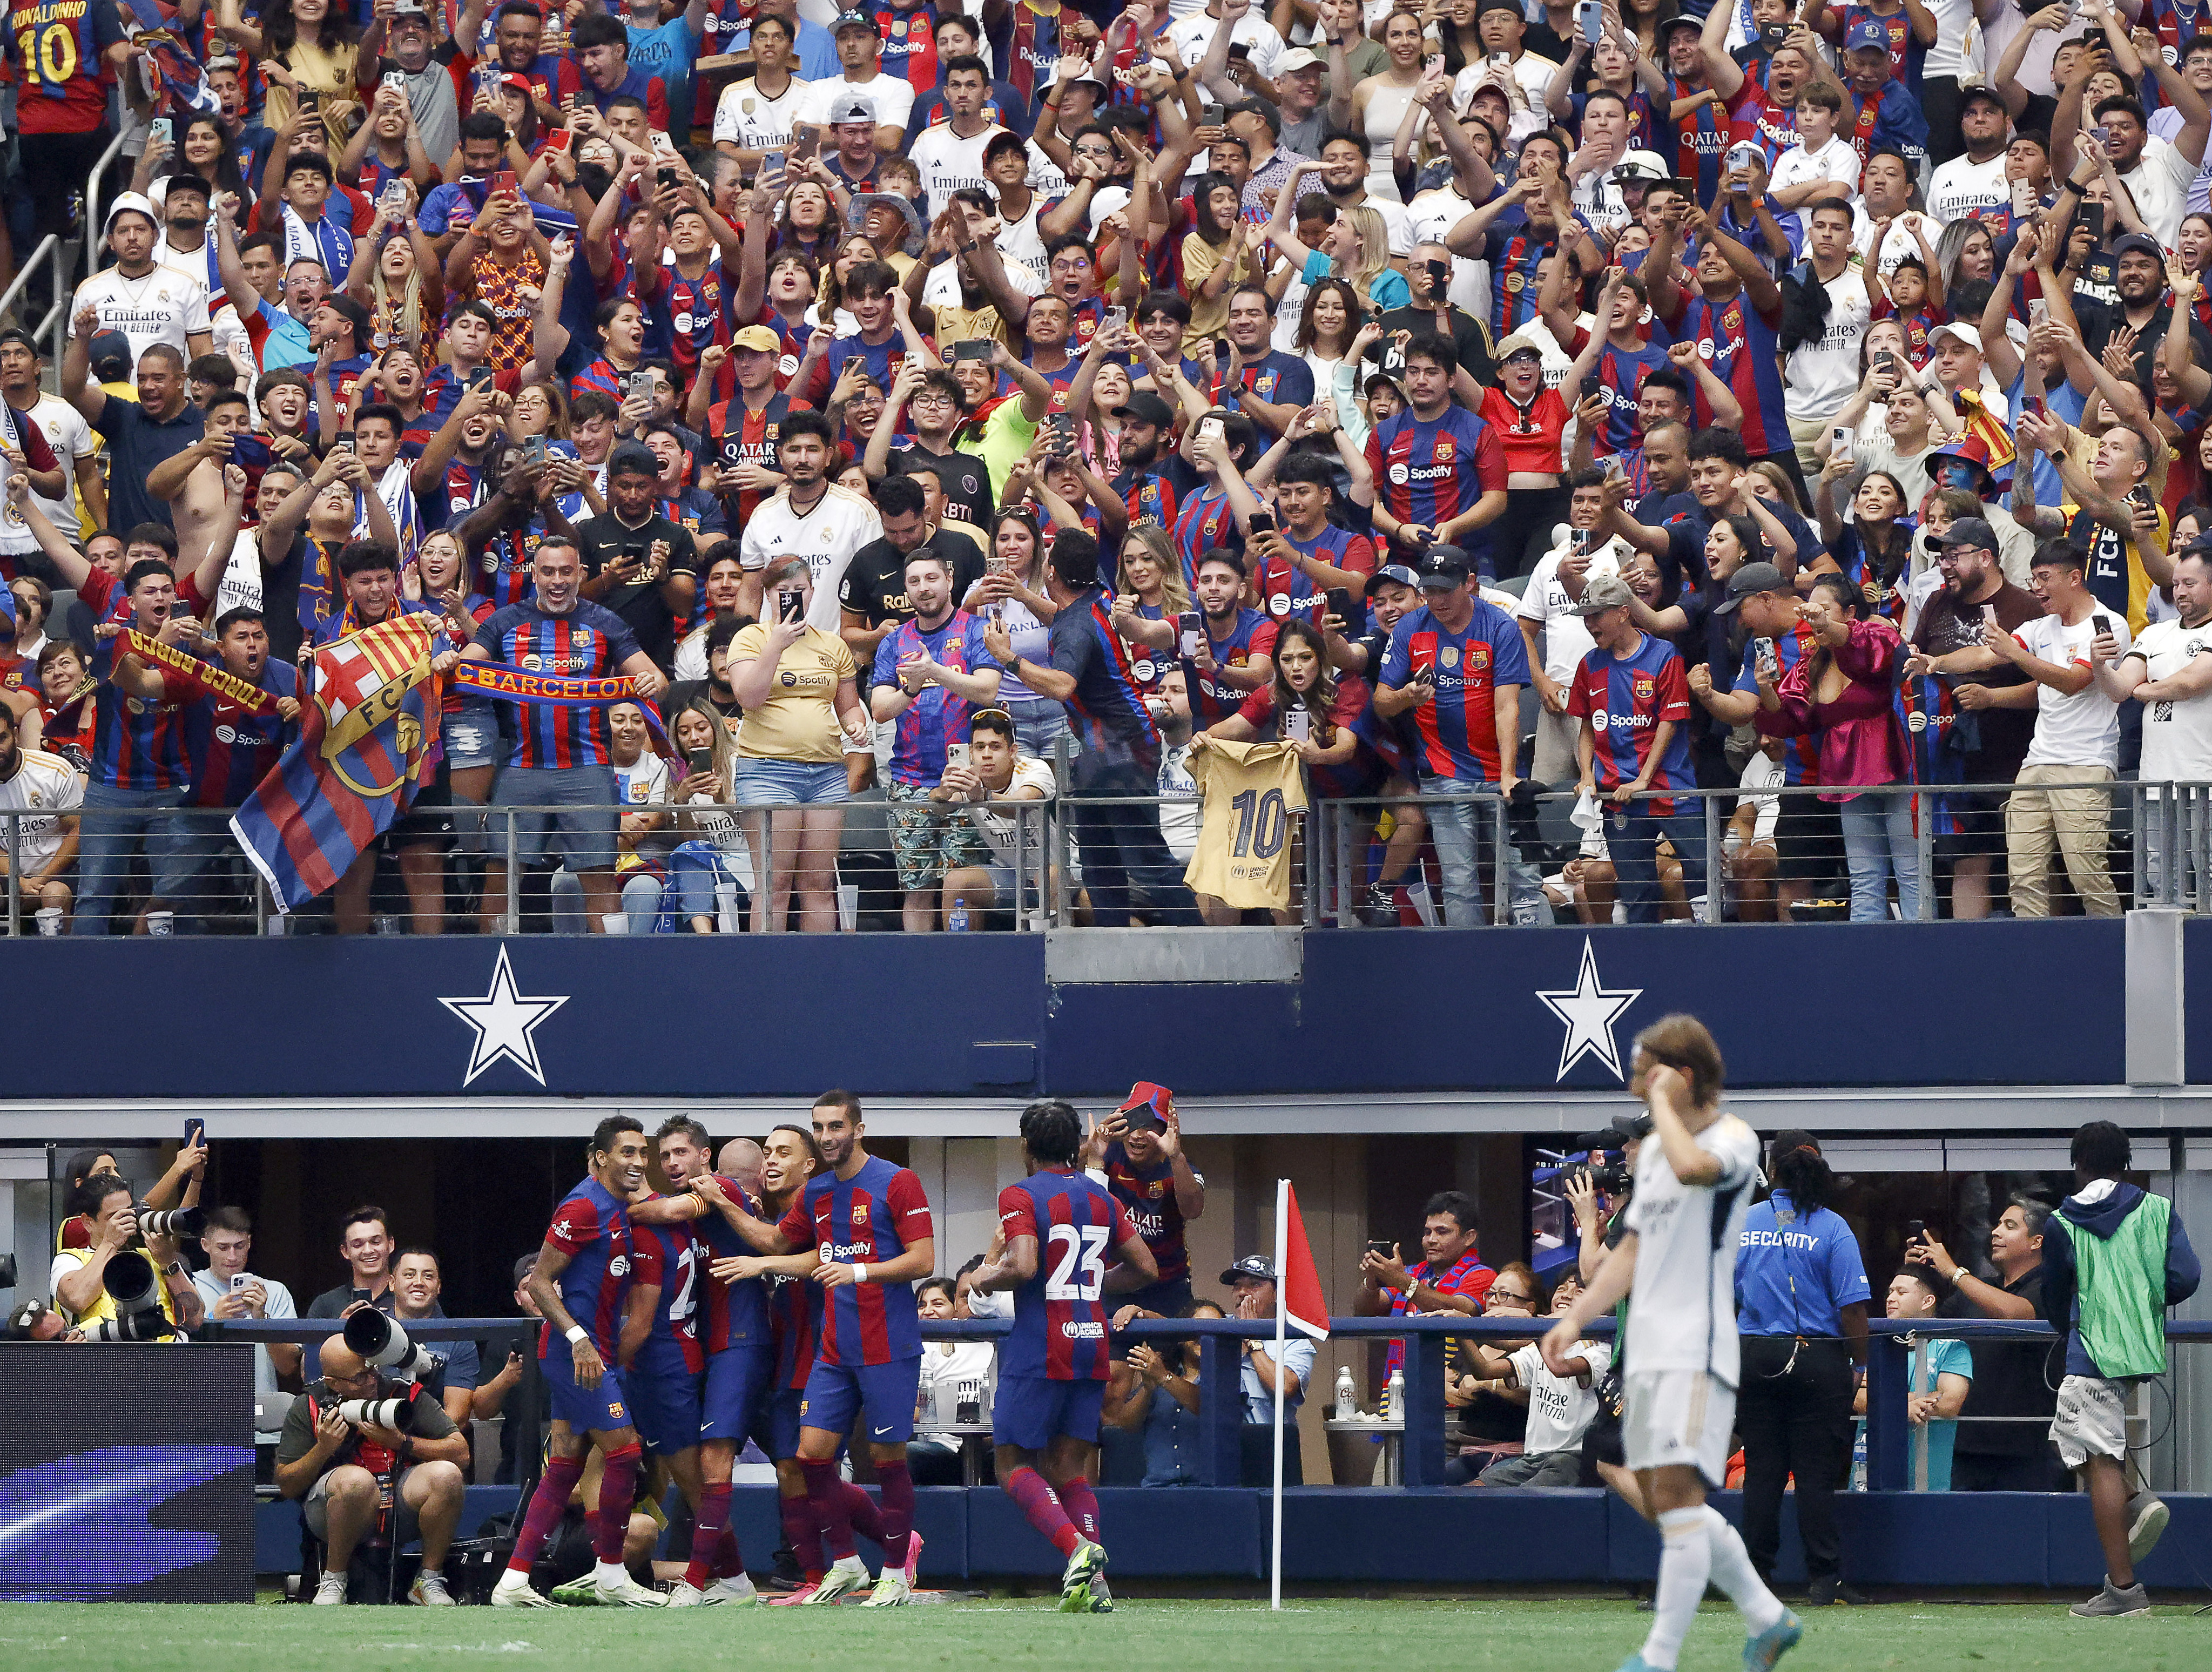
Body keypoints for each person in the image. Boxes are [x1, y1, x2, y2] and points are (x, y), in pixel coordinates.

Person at [1542, 1016, 1800, 1672]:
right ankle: (1768, 1618)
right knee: (1667, 1501)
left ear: (1682, 1077)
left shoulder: (1735, 1139)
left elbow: (1694, 1169)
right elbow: (1630, 1250)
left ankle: (1658, 1658)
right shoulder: (1653, 1152)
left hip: (1700, 1346)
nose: (1636, 1090)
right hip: (1648, 1351)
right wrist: (1577, 1318)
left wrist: (1660, 1104)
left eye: (1645, 1075)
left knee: (1680, 1501)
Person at [693, 1091, 934, 1606]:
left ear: (859, 1129)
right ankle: (846, 1563)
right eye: (819, 1127)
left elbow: (924, 1261)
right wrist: (721, 1204)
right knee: (810, 1458)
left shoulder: (897, 1181)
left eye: (835, 1126)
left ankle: (893, 1570)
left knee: (888, 1459)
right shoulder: (818, 1192)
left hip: (888, 1345)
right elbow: (780, 1243)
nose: (827, 1136)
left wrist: (858, 1271)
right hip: (833, 1349)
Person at [969, 1099, 1157, 1613]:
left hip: (1041, 1342)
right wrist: (1091, 1288)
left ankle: (1077, 1548)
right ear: (1076, 1146)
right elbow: (1145, 1267)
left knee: (1011, 1464)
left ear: (1025, 1146)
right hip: (1091, 1336)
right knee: (1070, 1466)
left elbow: (1025, 1264)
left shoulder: (1021, 1193)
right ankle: (1097, 1585)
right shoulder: (1102, 1198)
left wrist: (983, 1276)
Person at [983, 530, 1197, 926]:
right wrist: (1023, 595)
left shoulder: (1076, 627)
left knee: (1147, 862)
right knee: (1101, 863)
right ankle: (1113, 945)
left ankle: (1202, 949)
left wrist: (1007, 657)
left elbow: (1063, 684)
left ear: (1052, 573)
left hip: (1121, 754)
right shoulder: (1097, 598)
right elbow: (1066, 617)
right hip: (1111, 753)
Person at [492, 1117, 664, 1608]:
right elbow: (541, 1282)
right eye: (626, 1153)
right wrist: (578, 1338)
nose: (636, 1162)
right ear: (602, 1157)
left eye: (641, 1153)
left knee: (564, 1466)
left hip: (596, 1352)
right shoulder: (582, 1205)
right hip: (575, 1355)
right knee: (625, 1454)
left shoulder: (621, 1205)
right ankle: (611, 1574)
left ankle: (513, 1582)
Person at [463, 537, 669, 936]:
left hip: (588, 770)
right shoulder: (504, 621)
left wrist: (651, 681)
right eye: (548, 571)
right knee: (500, 879)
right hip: (522, 768)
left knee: (599, 880)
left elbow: (658, 683)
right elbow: (467, 671)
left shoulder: (605, 622)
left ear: (581, 575)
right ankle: (491, 966)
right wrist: (449, 659)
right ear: (534, 575)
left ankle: (610, 972)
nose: (557, 581)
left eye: (566, 571)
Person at [2039, 1121, 2201, 1618]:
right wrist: (2147, 1302)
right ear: (2127, 1162)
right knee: (2083, 1442)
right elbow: (2186, 1277)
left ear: (2078, 1165)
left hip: (2089, 1351)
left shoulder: (2061, 1223)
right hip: (2139, 1351)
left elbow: (2052, 1293)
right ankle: (2136, 1500)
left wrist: (2064, 1324)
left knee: (2099, 1456)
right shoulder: (2159, 1211)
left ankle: (2125, 1592)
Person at [1733, 1132, 1871, 1604]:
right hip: (1819, 1360)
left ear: (1771, 1171)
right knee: (1815, 1476)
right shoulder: (1833, 1227)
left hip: (1753, 1357)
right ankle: (1824, 1579)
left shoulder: (1743, 1223)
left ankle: (1755, 1580)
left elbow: (1721, 1294)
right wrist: (1860, 1363)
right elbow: (1853, 1308)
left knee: (1763, 1474)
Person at [1374, 547, 1539, 927]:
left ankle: (1544, 961)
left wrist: (1509, 775)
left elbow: (1507, 707)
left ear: (1470, 584)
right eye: (1430, 591)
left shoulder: (1501, 627)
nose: (1437, 600)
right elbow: (1382, 702)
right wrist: (1406, 697)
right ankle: (1470, 969)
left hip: (1500, 772)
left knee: (1523, 878)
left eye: (1446, 590)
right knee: (1459, 883)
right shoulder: (1411, 629)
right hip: (1443, 771)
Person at [728, 556, 872, 932]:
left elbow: (850, 707)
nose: (791, 598)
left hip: (827, 773)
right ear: (767, 595)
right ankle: (768, 976)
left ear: (812, 592)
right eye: (782, 592)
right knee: (774, 885)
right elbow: (748, 696)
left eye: (799, 591)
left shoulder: (833, 645)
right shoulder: (750, 637)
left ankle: (818, 977)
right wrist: (776, 644)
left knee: (819, 884)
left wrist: (856, 727)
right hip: (767, 771)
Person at [275, 1333, 470, 1606]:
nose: (370, 1381)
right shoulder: (310, 1404)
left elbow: (460, 1453)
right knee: (357, 1481)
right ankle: (334, 1580)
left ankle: (429, 1579)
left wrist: (402, 1442)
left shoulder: (403, 1394)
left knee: (446, 1476)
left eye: (373, 1371)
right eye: (359, 1378)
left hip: (400, 1504)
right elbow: (287, 1484)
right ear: (332, 1382)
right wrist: (324, 1448)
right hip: (338, 1509)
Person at [1992, 542, 2130, 919]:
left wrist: (2016, 654)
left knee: (2085, 873)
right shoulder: (2040, 627)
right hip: (2036, 763)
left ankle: (2115, 957)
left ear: (2074, 578)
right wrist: (1933, 661)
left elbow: (2074, 682)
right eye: (2033, 578)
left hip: (2086, 764)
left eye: (2044, 578)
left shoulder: (2109, 624)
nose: (2037, 588)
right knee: (2023, 875)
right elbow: (1989, 653)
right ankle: (2030, 964)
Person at [1908, 1198, 2067, 1493]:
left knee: (2024, 1536)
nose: (1995, 1232)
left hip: (2028, 1452)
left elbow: (2015, 1313)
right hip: (1967, 1446)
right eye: (1996, 1224)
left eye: (2009, 1226)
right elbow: (1924, 1319)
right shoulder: (1981, 1289)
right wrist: (1917, 1276)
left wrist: (1955, 1272)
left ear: (2037, 1242)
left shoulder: (2053, 1285)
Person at [2105, 544, 2212, 905]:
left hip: (2206, 783)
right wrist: (2099, 664)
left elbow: (2192, 683)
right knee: (2160, 881)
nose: (2179, 591)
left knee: (2209, 876)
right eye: (2176, 583)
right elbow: (2120, 688)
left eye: (2190, 584)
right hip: (2157, 784)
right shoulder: (2154, 634)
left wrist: (2145, 690)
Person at [1458, 1273, 1611, 1488]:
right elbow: (1486, 1370)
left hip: (1572, 1459)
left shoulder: (1601, 1351)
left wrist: (1532, 1323)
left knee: (1524, 1501)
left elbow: (1559, 1367)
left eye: (1578, 1292)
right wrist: (1461, 1326)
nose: (1566, 1295)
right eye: (1561, 1289)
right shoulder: (1537, 1346)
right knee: (1471, 1493)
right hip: (1531, 1458)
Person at [1084, 1082, 1206, 1316]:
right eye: (1134, 1123)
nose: (1138, 1136)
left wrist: (1176, 1156)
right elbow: (1063, 1172)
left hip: (1167, 1288)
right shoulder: (1110, 1154)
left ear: (1164, 1130)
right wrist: (1093, 1148)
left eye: (1149, 1126)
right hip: (1114, 1285)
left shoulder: (1179, 1168)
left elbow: (1193, 1210)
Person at [1355, 1189, 1494, 1390]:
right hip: (1404, 1388)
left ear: (1469, 1237)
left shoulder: (1482, 1276)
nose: (1431, 1239)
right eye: (1428, 1232)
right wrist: (1373, 1277)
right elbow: (1364, 1310)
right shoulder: (1414, 1273)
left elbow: (1456, 1309)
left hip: (1453, 1393)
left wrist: (1403, 1282)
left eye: (1442, 1232)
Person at [193, 1207, 304, 1442]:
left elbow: (288, 1368)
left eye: (239, 1246)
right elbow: (175, 1363)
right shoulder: (190, 1288)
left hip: (265, 1422)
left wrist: (261, 1321)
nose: (232, 1257)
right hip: (204, 1420)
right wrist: (213, 1322)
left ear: (250, 1244)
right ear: (205, 1245)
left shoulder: (274, 1291)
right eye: (223, 1247)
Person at [1863, 1268, 1971, 1493]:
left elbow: (1950, 1402)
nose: (1891, 1298)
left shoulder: (1952, 1346)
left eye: (1902, 1292)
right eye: (1890, 1292)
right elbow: (1857, 1398)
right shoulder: (1870, 1346)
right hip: (1870, 1475)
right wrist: (1903, 1406)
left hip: (1929, 1479)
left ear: (1927, 1301)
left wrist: (1889, 1401)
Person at [1222, 1253, 1316, 1487]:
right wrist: (1141, 1312)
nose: (1243, 1292)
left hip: (1269, 1447)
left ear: (1276, 1294)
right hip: (1221, 1444)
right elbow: (1179, 1333)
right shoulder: (1218, 1325)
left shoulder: (1294, 1338)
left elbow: (1283, 1387)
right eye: (1237, 1286)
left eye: (1255, 1285)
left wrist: (1253, 1339)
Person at [306, 1206, 399, 1318]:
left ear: (391, 1244)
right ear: (345, 1251)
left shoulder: (407, 1299)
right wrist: (340, 1327)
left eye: (376, 1242)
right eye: (358, 1245)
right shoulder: (326, 1304)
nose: (368, 1251)